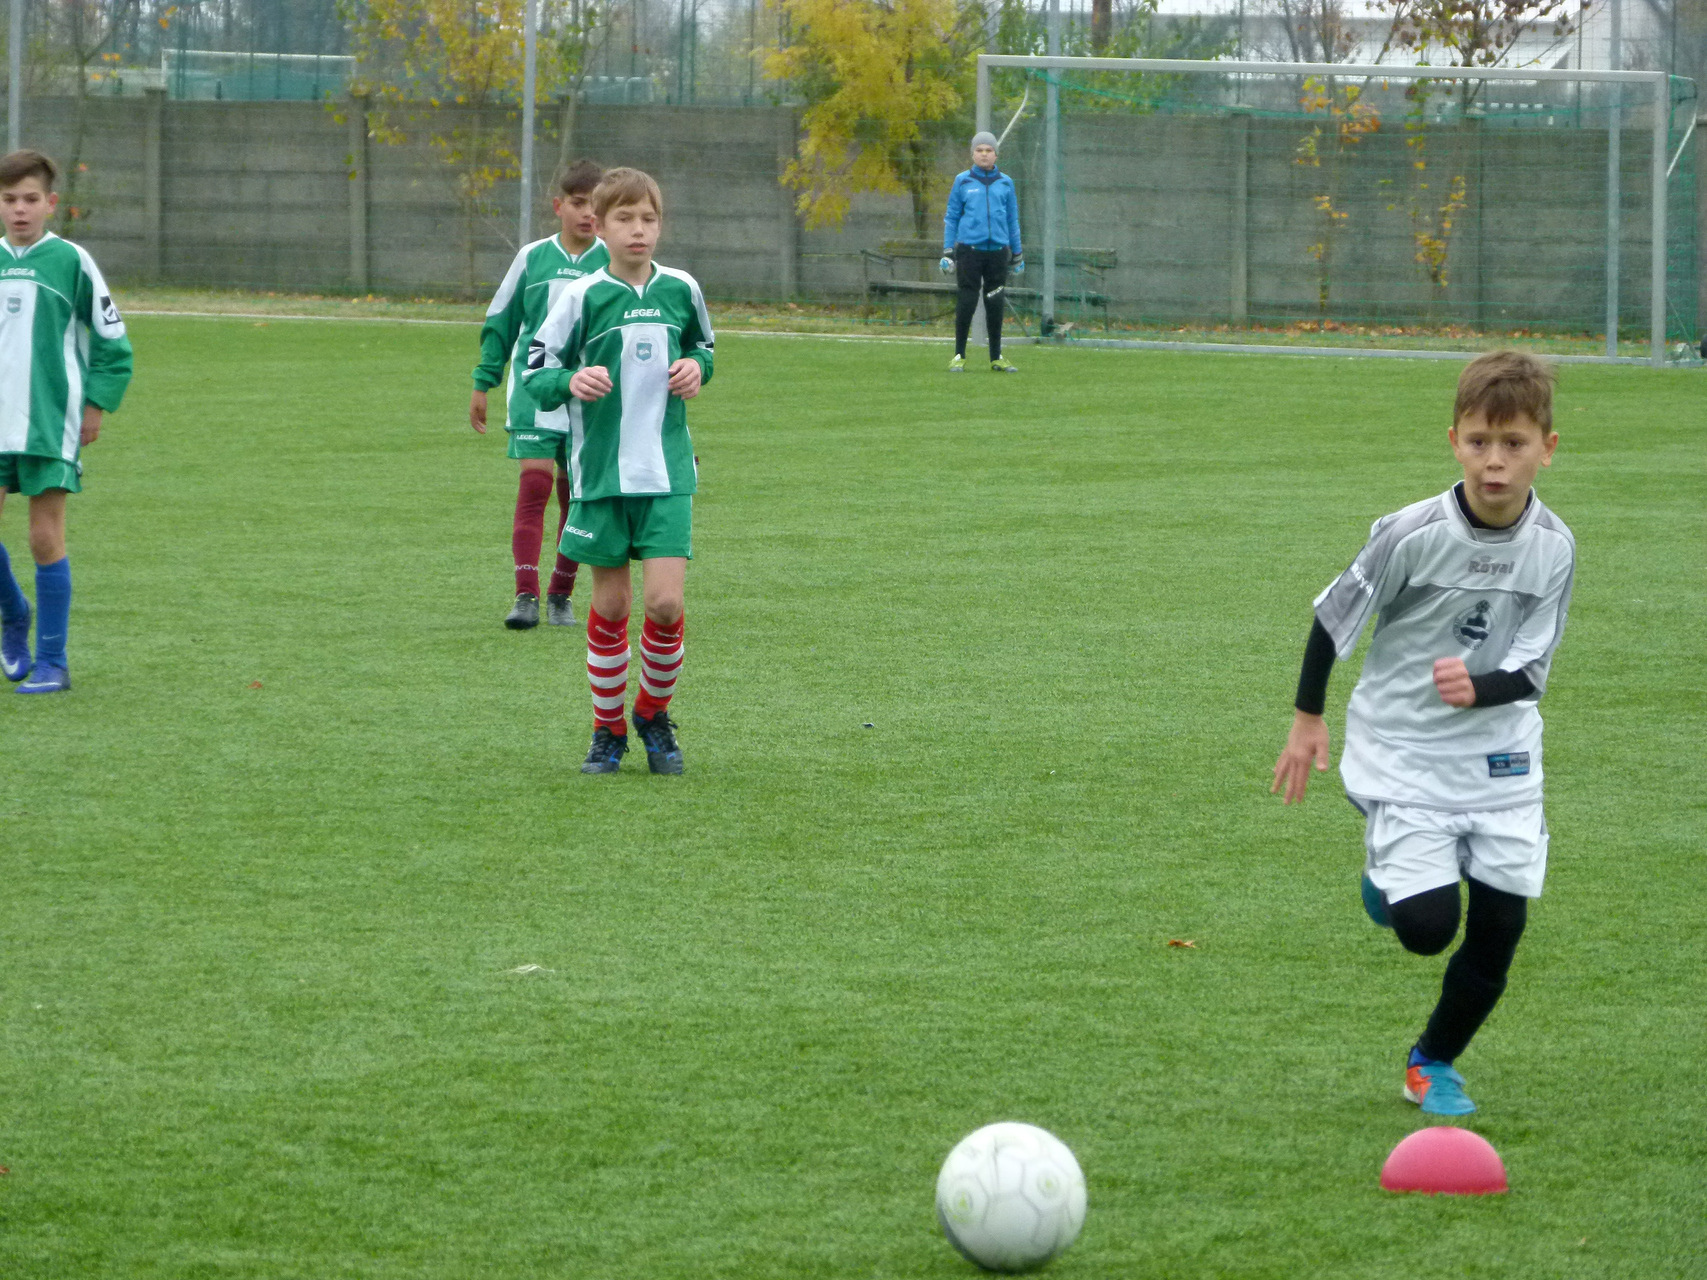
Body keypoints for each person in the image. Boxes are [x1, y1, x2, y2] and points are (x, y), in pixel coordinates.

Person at [1270, 350, 1575, 1117]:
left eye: (1512, 443)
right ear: (1453, 443)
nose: (1494, 461)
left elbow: (1533, 667)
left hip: (1500, 758)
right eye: (1478, 441)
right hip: (1403, 750)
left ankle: (1431, 1061)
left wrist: (1480, 688)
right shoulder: (1410, 533)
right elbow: (1332, 619)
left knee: (1500, 926)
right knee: (1426, 930)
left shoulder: (1553, 547)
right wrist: (1307, 717)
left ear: (1545, 448)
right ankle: (1387, 881)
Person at [522, 168, 713, 776]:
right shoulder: (580, 296)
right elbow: (536, 371)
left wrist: (697, 368)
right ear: (599, 226)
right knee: (610, 606)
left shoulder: (682, 288)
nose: (639, 230)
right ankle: (607, 731)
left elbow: (704, 348)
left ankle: (652, 715)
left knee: (664, 603)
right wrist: (569, 380)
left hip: (667, 472)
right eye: (625, 218)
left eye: (649, 219)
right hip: (601, 475)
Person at [0, 149, 133, 694]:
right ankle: (14, 614)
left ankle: (53, 663)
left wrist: (96, 405)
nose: (20, 209)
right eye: (10, 199)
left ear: (51, 203)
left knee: (43, 537)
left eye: (30, 199)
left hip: (50, 421)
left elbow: (113, 342)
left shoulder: (72, 261)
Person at [472, 160, 609, 630]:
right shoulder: (532, 258)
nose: (587, 214)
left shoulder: (612, 264)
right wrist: (484, 381)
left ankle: (560, 594)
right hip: (534, 389)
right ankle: (525, 595)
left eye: (595, 206)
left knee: (576, 496)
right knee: (535, 486)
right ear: (558, 206)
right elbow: (502, 319)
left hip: (588, 395)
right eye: (578, 203)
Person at [940, 130, 1023, 374]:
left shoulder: (1006, 183)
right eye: (979, 150)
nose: (984, 154)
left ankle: (996, 357)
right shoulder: (962, 181)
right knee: (967, 301)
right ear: (972, 154)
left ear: (996, 154)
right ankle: (958, 355)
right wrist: (948, 251)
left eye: (988, 150)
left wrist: (1017, 253)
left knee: (995, 304)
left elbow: (1012, 220)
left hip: (997, 253)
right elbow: (952, 217)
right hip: (969, 252)